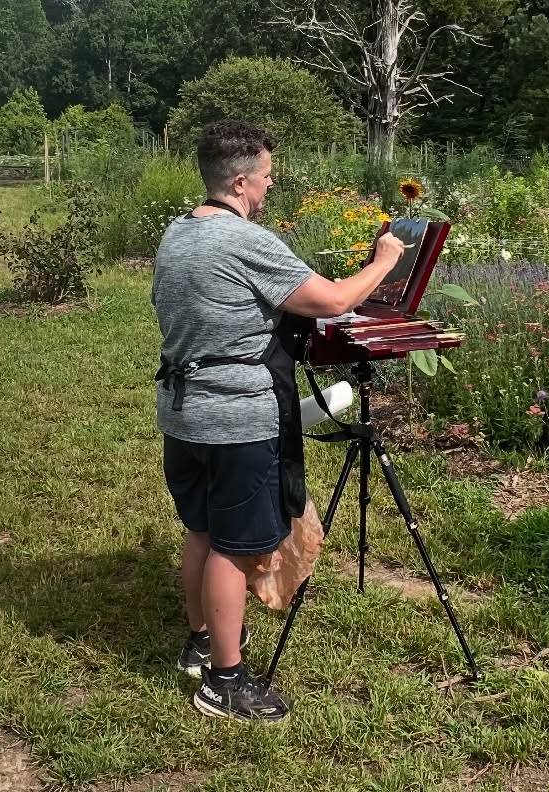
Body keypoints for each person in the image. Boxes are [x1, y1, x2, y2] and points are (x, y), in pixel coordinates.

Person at [152, 119, 404, 722]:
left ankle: (200, 642)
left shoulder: (177, 233)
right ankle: (225, 681)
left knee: (202, 530)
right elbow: (334, 300)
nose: (270, 187)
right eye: (266, 177)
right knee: (235, 549)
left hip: (184, 412)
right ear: (240, 182)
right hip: (237, 418)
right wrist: (384, 261)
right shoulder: (246, 241)